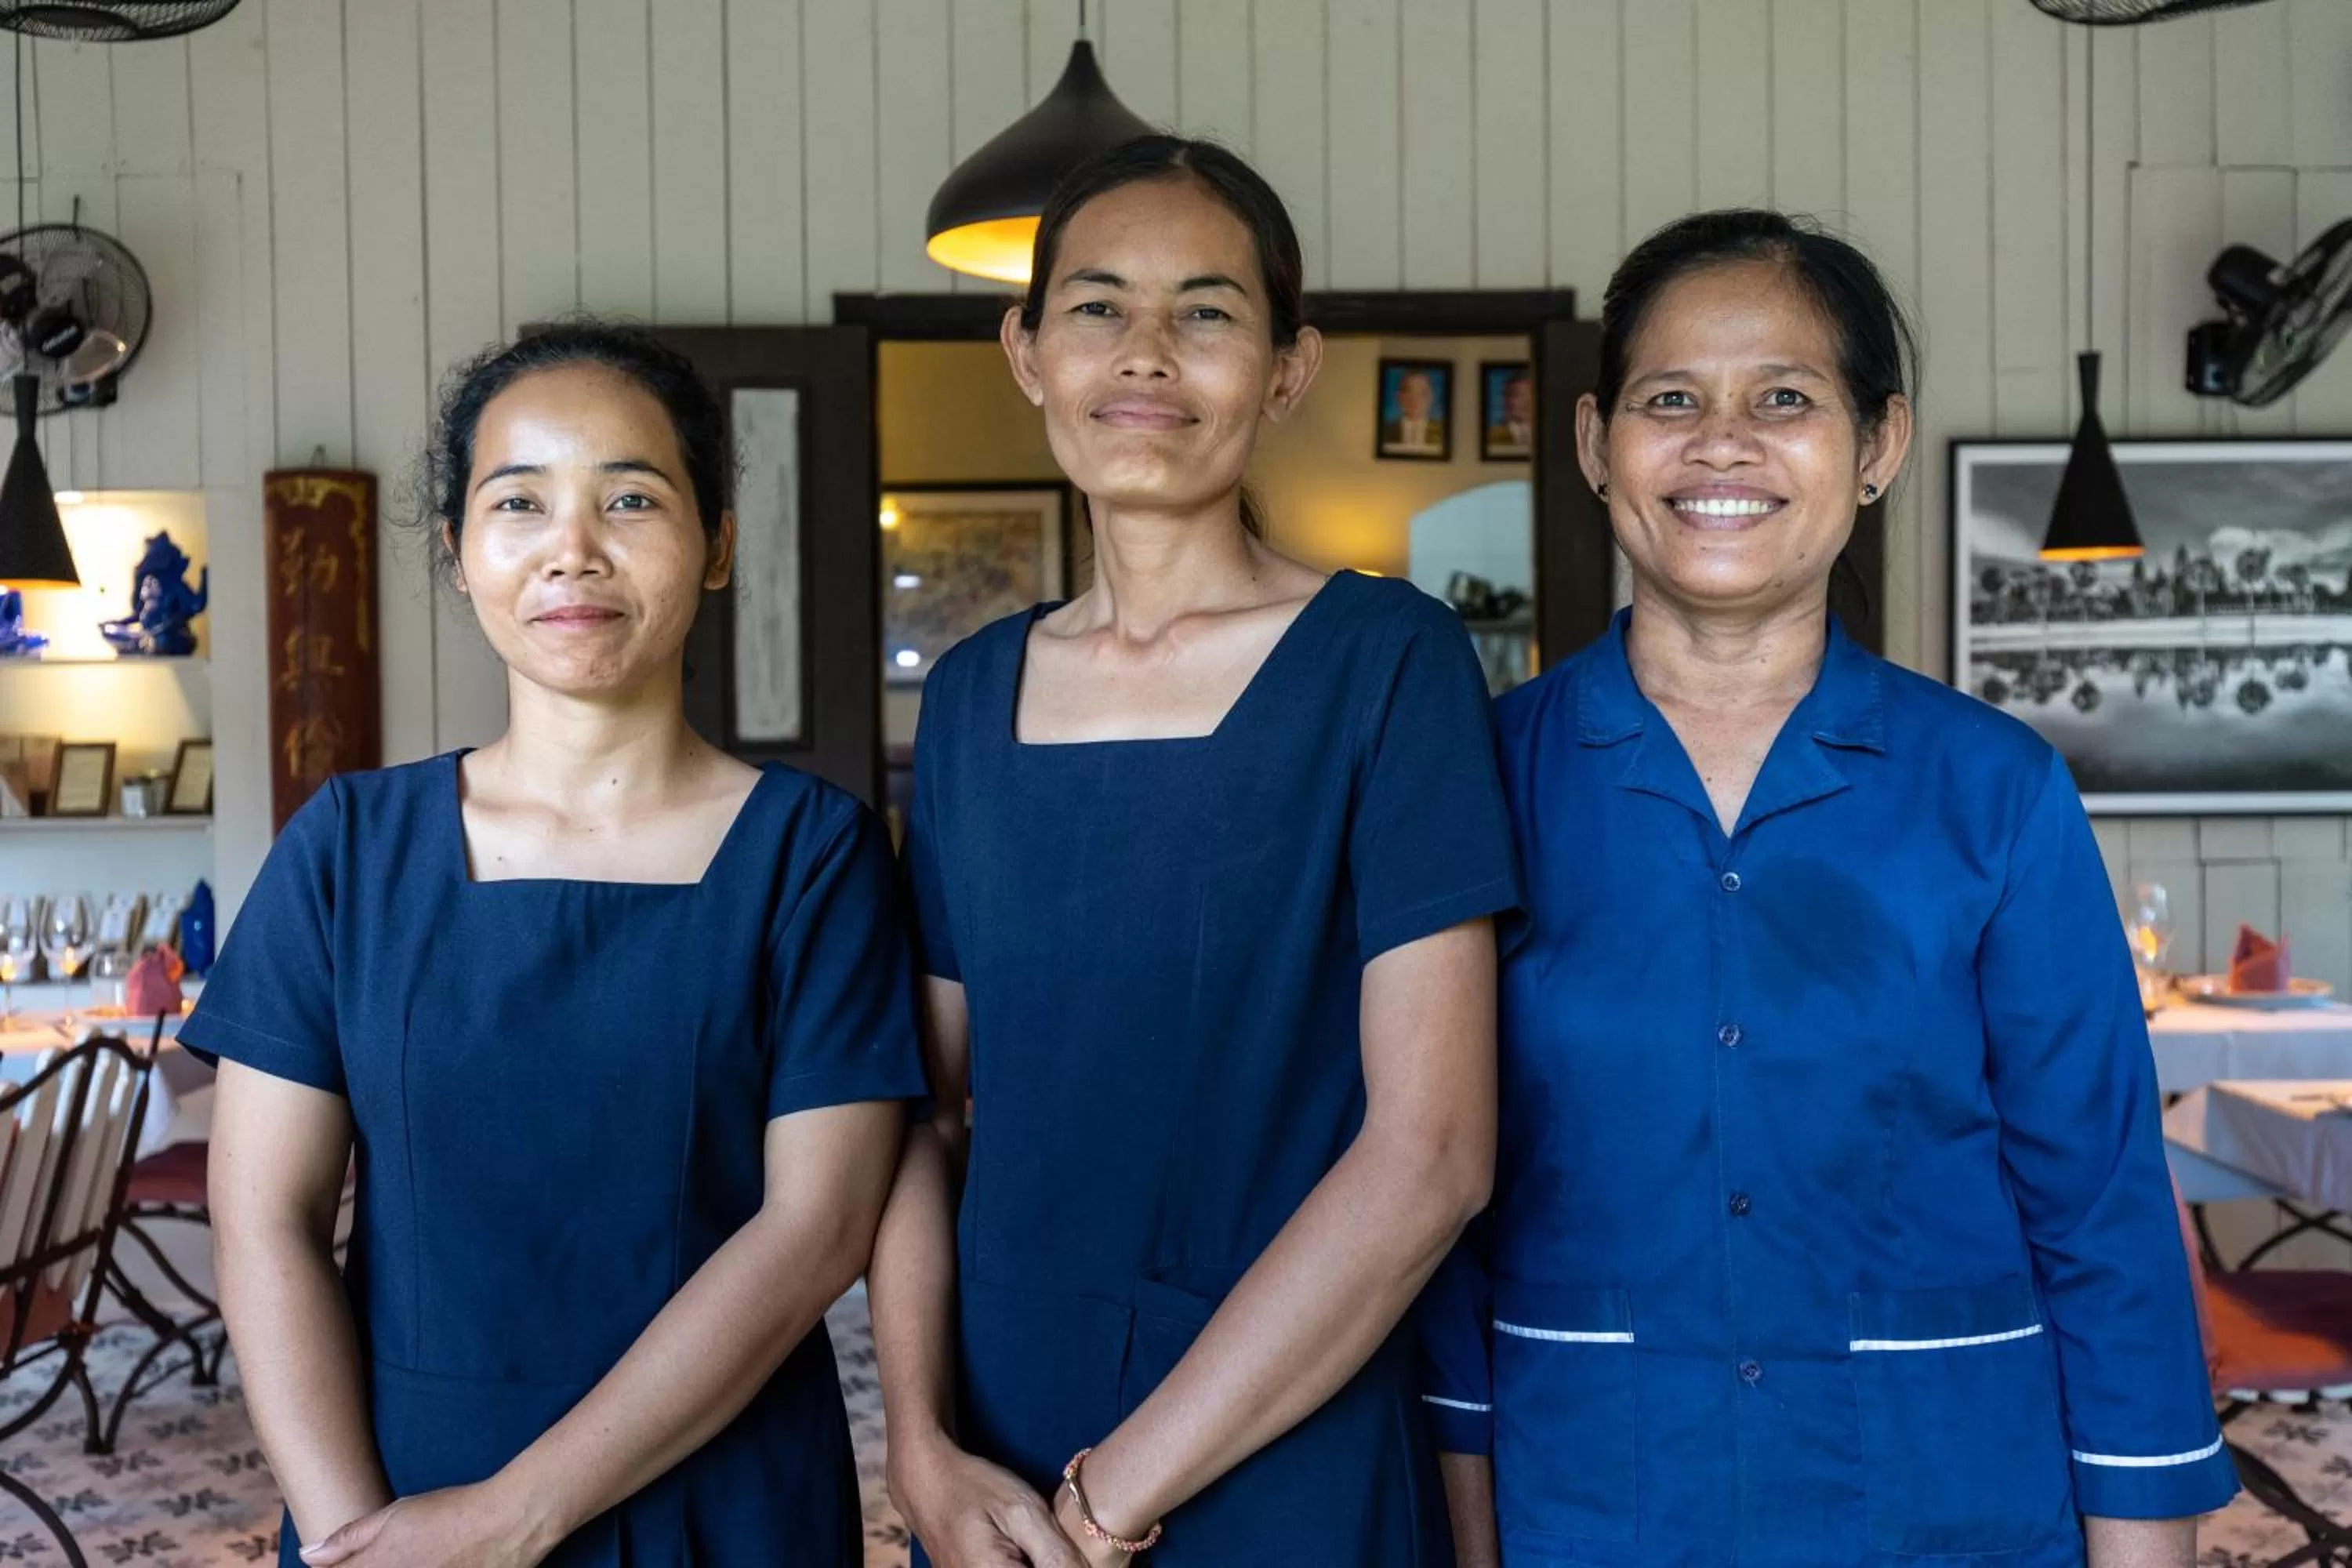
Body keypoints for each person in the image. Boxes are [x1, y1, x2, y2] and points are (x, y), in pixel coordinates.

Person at [1421, 209, 2236, 1567]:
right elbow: (1432, 1211)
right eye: (1668, 398)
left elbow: (2102, 1209)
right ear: (1593, 446)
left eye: (1784, 399)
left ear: (1878, 450)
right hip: (1600, 1501)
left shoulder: (1996, 793)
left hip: (1947, 1504)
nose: (1720, 442)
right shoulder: (1476, 786)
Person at [873, 135, 1517, 1568]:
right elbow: (924, 1111)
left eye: (1208, 311)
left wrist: (1116, 1498)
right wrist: (917, 1445)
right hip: (996, 1459)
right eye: (1098, 306)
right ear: (1026, 350)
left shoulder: (1385, 665)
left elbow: (1432, 1154)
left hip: (1285, 1427)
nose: (1147, 354)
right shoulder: (973, 696)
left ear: (1288, 368)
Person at [189, 322, 928, 1568]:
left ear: (717, 548)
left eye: (630, 498)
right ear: (460, 555)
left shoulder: (814, 857)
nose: (571, 549)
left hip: (723, 1496)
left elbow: (816, 1230)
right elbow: (264, 1212)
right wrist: (343, 1531)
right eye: (519, 502)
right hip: (399, 1490)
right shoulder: (351, 851)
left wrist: (515, 1517)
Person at [1383, 366, 1446, 454]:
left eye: (1422, 393)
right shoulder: (1385, 431)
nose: (1415, 399)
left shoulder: (1442, 431)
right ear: (1399, 396)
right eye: (1408, 392)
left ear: (1431, 397)